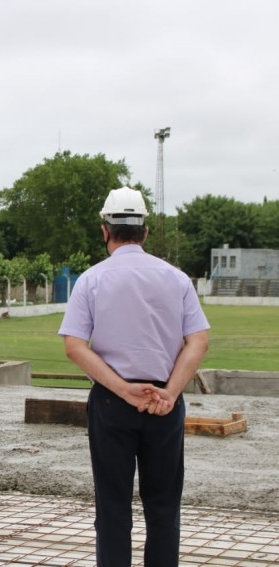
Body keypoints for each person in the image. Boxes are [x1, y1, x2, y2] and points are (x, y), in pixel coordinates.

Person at [58, 186, 210, 566]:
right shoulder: (176, 278)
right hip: (164, 404)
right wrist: (170, 393)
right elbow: (198, 342)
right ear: (144, 231)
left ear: (104, 230)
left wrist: (124, 390)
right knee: (163, 509)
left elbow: (75, 345)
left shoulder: (91, 280)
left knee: (112, 508)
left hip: (112, 402)